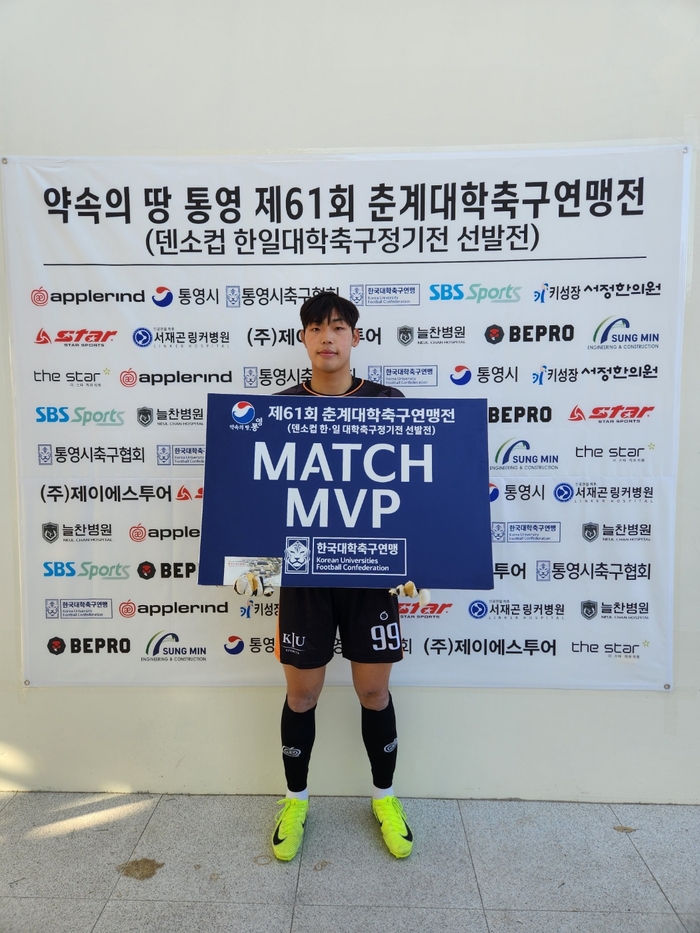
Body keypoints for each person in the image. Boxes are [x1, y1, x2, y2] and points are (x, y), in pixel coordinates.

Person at [270, 291, 414, 862]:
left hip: (371, 572)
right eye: (315, 328)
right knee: (301, 695)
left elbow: (412, 489)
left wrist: (417, 561)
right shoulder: (279, 408)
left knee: (373, 692)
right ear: (303, 339)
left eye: (337, 327)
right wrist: (254, 564)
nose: (326, 337)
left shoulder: (388, 402)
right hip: (304, 574)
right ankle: (295, 802)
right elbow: (262, 497)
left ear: (355, 337)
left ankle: (385, 798)